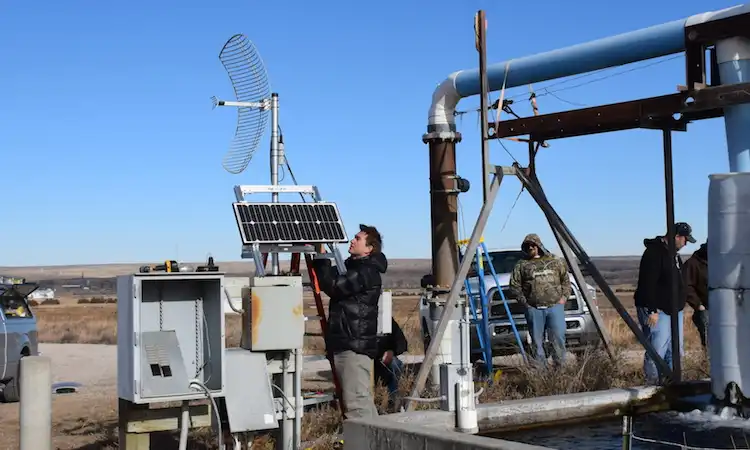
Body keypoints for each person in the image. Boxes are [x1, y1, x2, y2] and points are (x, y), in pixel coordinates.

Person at [311, 224, 387, 419]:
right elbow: (331, 277)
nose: (352, 240)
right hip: (349, 342)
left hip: (353, 344)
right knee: (361, 401)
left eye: (358, 239)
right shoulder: (353, 268)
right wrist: (322, 257)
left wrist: (321, 257)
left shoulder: (365, 272)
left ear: (369, 248)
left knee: (357, 406)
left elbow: (334, 286)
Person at [634, 222, 696, 384]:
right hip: (658, 310)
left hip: (674, 309)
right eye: (684, 239)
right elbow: (648, 284)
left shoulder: (673, 255)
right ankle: (653, 386)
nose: (685, 244)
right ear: (676, 236)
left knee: (675, 350)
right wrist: (652, 310)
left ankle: (671, 384)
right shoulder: (654, 253)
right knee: (657, 350)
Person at [509, 233, 571, 367]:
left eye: (533, 244)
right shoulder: (522, 265)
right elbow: (514, 286)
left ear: (539, 245)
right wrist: (525, 304)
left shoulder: (555, 260)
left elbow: (566, 281)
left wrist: (563, 298)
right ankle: (540, 373)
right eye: (527, 245)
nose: (530, 247)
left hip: (555, 307)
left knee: (558, 338)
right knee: (537, 342)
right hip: (534, 309)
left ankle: (560, 371)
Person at [374, 318, 408, 410]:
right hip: (366, 359)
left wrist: (392, 352)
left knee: (396, 363)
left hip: (384, 361)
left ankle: (393, 398)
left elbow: (402, 343)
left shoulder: (387, 321)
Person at [683, 242, 708, 349]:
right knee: (709, 342)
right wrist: (698, 305)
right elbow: (686, 286)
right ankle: (707, 364)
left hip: (728, 310)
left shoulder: (720, 261)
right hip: (706, 310)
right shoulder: (692, 264)